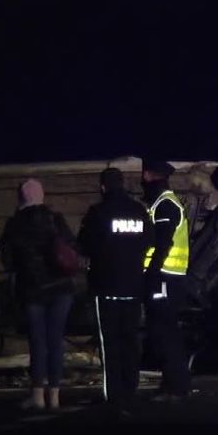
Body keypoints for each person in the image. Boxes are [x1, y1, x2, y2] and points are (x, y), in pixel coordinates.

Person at [78, 167, 153, 416]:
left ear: (103, 187)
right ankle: (130, 390)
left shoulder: (98, 213)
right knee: (131, 340)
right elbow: (149, 241)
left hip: (106, 286)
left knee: (109, 343)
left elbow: (84, 244)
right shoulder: (139, 211)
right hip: (133, 286)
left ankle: (114, 396)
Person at [2, 179, 77, 410]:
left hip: (32, 290)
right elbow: (72, 247)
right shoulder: (56, 218)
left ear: (21, 197)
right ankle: (54, 395)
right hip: (62, 288)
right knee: (56, 341)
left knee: (38, 343)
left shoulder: (15, 223)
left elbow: (8, 261)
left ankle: (37, 395)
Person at [141, 159, 192, 401]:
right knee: (164, 331)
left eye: (145, 173)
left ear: (152, 175)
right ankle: (173, 384)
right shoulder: (162, 203)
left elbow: (163, 243)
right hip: (167, 276)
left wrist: (151, 272)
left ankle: (175, 386)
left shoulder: (165, 205)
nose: (143, 179)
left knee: (165, 331)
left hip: (165, 278)